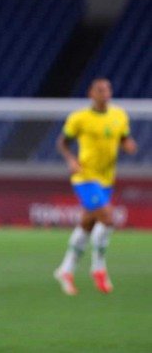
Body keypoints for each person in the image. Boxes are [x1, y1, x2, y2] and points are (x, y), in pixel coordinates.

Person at [53, 77, 137, 295]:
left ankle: (65, 270)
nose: (105, 94)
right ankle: (98, 268)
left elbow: (123, 137)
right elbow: (62, 142)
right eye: (100, 90)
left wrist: (128, 144)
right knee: (108, 218)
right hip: (85, 176)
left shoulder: (119, 115)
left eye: (108, 90)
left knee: (87, 224)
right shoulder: (79, 118)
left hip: (107, 178)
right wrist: (71, 160)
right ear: (91, 93)